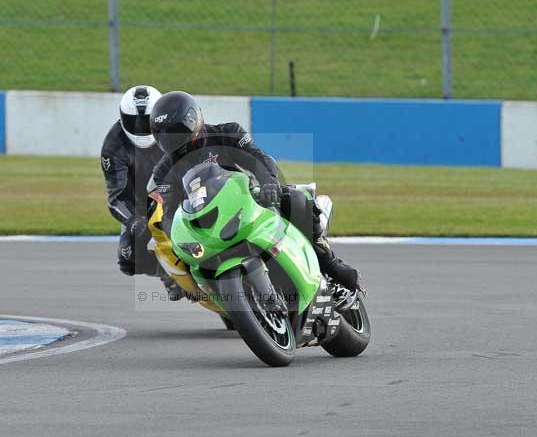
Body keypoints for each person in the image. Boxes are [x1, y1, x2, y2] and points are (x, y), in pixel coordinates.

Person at [148, 90, 360, 294]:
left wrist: (269, 182)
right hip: (206, 220)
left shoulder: (227, 132)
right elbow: (169, 211)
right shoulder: (163, 171)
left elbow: (257, 158)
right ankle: (228, 302)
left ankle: (329, 262)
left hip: (248, 199)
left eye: (177, 133)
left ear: (194, 121)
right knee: (189, 263)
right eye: (165, 137)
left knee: (296, 197)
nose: (172, 142)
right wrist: (175, 236)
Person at [100, 85, 182, 298]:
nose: (140, 128)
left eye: (146, 121)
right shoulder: (113, 147)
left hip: (184, 190)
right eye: (134, 121)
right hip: (143, 205)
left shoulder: (175, 126)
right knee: (129, 258)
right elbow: (116, 198)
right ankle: (169, 273)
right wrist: (133, 221)